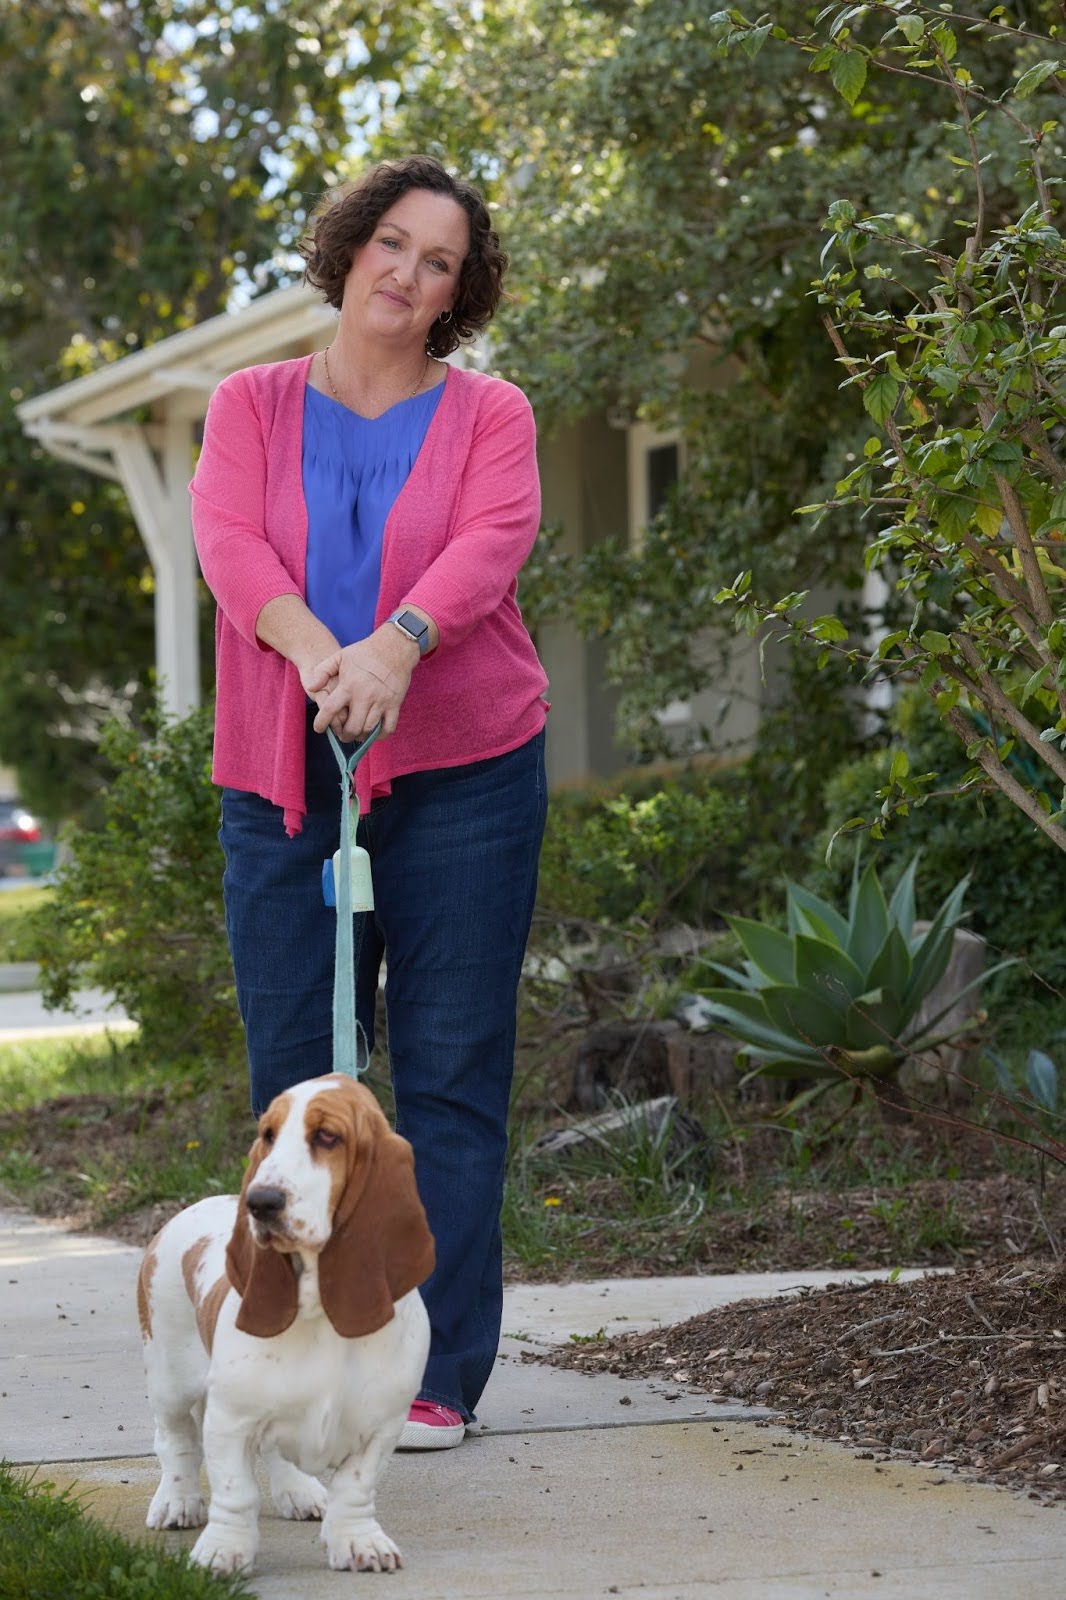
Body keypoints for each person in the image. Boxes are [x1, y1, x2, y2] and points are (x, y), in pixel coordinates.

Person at [190, 155, 549, 1450]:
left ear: (459, 291)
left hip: (466, 779)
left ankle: (432, 1373)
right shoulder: (250, 404)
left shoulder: (489, 413)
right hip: (285, 784)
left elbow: (492, 539)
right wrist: (313, 652)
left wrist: (395, 643)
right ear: (349, 249)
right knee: (296, 1087)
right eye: (391, 243)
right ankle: (281, 1361)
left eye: (438, 260)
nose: (406, 273)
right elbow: (229, 543)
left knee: (447, 1083)